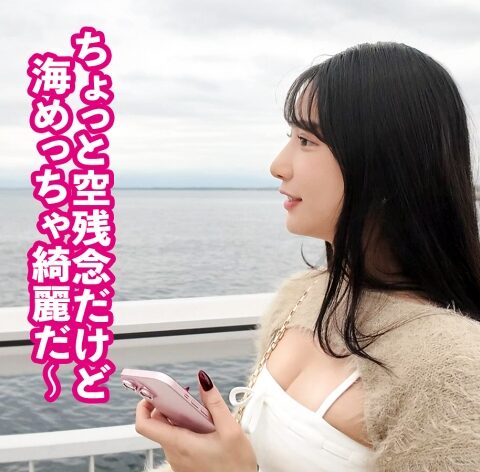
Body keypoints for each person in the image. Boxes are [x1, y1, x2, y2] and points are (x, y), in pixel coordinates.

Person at [135, 41, 480, 471]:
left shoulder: (453, 367)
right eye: (290, 138)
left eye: (305, 140)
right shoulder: (302, 296)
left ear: (383, 161)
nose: (278, 166)